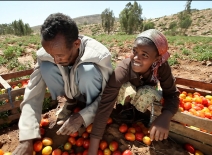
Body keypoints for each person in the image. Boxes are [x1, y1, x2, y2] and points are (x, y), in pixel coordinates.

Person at [12, 13, 113, 155]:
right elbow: (32, 95)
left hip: (92, 95)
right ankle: (70, 102)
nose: (56, 60)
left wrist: (82, 116)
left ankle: (87, 111)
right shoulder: (48, 53)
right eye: (51, 54)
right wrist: (27, 138)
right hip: (70, 89)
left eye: (59, 55)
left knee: (88, 71)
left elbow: (108, 96)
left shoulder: (99, 55)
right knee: (46, 67)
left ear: (76, 44)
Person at [88, 29, 180, 155]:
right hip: (128, 95)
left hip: (145, 94)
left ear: (156, 58)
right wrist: (93, 148)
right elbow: (106, 104)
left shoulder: (162, 67)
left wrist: (166, 116)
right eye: (134, 51)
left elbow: (172, 94)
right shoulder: (124, 68)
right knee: (124, 87)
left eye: (144, 55)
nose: (136, 58)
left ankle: (139, 115)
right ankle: (124, 111)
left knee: (147, 92)